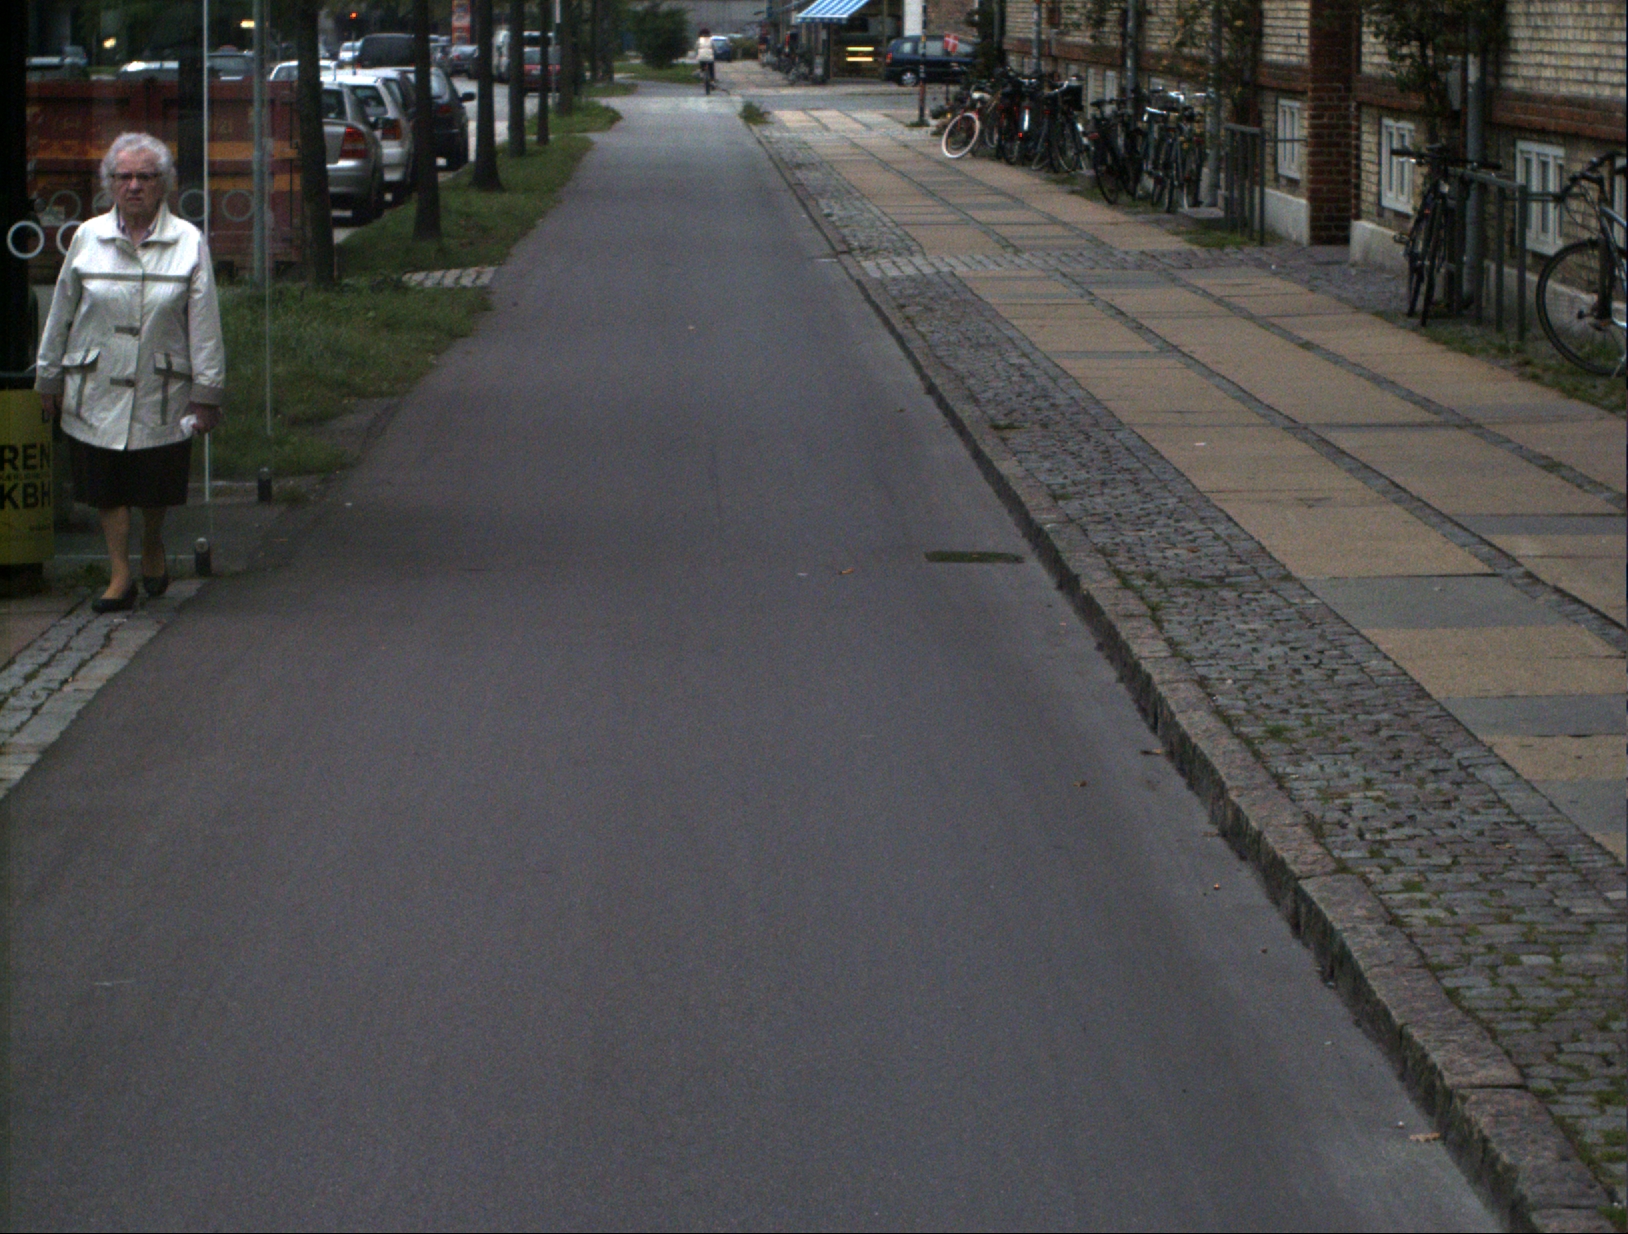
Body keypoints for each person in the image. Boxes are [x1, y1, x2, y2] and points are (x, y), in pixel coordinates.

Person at [35, 132, 225, 613]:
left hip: (161, 386)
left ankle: (153, 541)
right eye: (124, 176)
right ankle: (120, 573)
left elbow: (204, 323)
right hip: (97, 383)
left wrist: (207, 392)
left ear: (164, 184)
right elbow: (61, 311)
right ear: (110, 183)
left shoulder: (187, 241)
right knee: (106, 482)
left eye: (145, 176)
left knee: (154, 481)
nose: (134, 186)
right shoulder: (87, 237)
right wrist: (48, 376)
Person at [696, 27, 715, 92]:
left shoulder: (699, 40)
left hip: (701, 57)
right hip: (710, 57)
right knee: (711, 68)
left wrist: (697, 53)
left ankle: (702, 73)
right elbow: (714, 47)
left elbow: (696, 47)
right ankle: (712, 80)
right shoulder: (711, 40)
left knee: (702, 64)